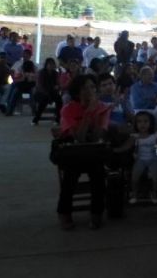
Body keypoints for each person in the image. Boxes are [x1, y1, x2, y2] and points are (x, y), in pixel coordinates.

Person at [57, 75, 112, 230]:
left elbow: (97, 137)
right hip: (74, 151)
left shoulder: (103, 107)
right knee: (70, 177)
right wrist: (88, 113)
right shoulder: (68, 109)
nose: (90, 91)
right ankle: (64, 213)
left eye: (93, 87)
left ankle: (96, 213)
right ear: (77, 91)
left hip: (93, 151)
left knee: (98, 176)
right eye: (85, 87)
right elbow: (79, 138)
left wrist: (96, 112)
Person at [127, 111, 157, 204]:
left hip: (153, 159)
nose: (143, 124)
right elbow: (127, 146)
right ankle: (134, 194)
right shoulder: (135, 136)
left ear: (151, 123)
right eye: (139, 122)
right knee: (134, 178)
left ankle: (154, 193)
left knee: (156, 178)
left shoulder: (155, 136)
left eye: (146, 121)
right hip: (140, 160)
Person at [5, 51, 36, 116]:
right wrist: (15, 78)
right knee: (14, 89)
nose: (25, 56)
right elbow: (12, 72)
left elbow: (35, 75)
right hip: (19, 83)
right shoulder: (18, 63)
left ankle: (34, 110)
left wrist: (29, 75)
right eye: (24, 54)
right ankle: (9, 109)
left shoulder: (33, 64)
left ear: (30, 56)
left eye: (27, 55)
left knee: (33, 92)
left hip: (30, 85)